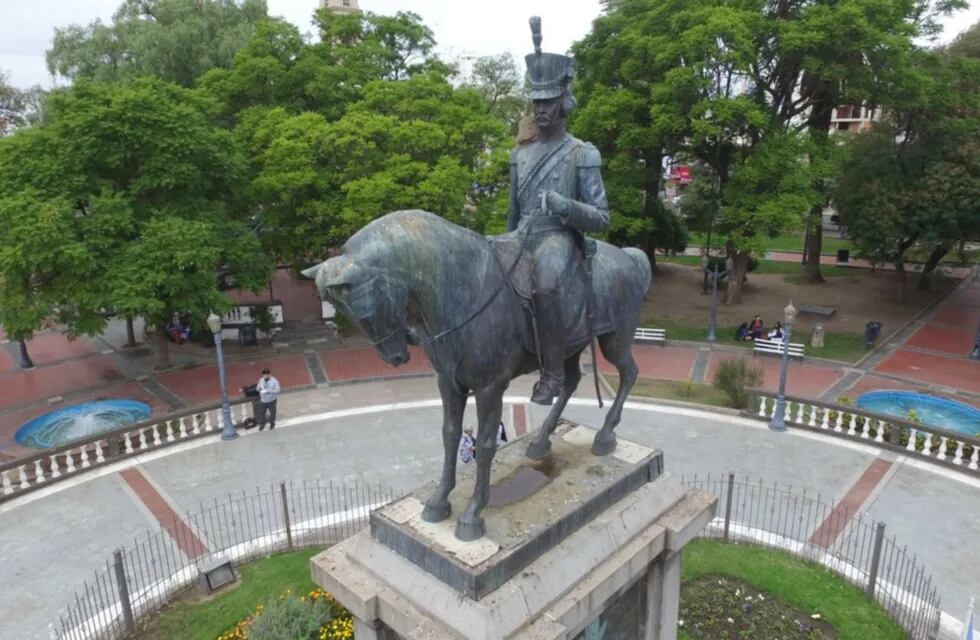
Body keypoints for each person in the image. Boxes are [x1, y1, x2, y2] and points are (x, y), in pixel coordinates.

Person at [507, 17, 610, 406]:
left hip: (560, 238)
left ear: (563, 102)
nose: (541, 110)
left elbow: (601, 216)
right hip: (523, 236)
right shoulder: (520, 155)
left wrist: (567, 206)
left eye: (548, 101)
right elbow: (512, 215)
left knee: (546, 282)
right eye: (536, 102)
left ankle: (551, 374)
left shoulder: (582, 153)